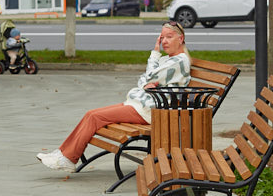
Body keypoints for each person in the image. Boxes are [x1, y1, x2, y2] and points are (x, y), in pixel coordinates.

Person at [36, 21, 191, 171]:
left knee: (94, 117)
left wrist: (155, 54)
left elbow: (150, 76)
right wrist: (147, 84)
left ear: (180, 38)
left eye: (169, 37)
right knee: (90, 114)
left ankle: (68, 159)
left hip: (150, 111)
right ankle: (62, 153)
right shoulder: (167, 60)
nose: (164, 41)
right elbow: (143, 79)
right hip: (139, 104)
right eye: (162, 38)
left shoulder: (179, 61)